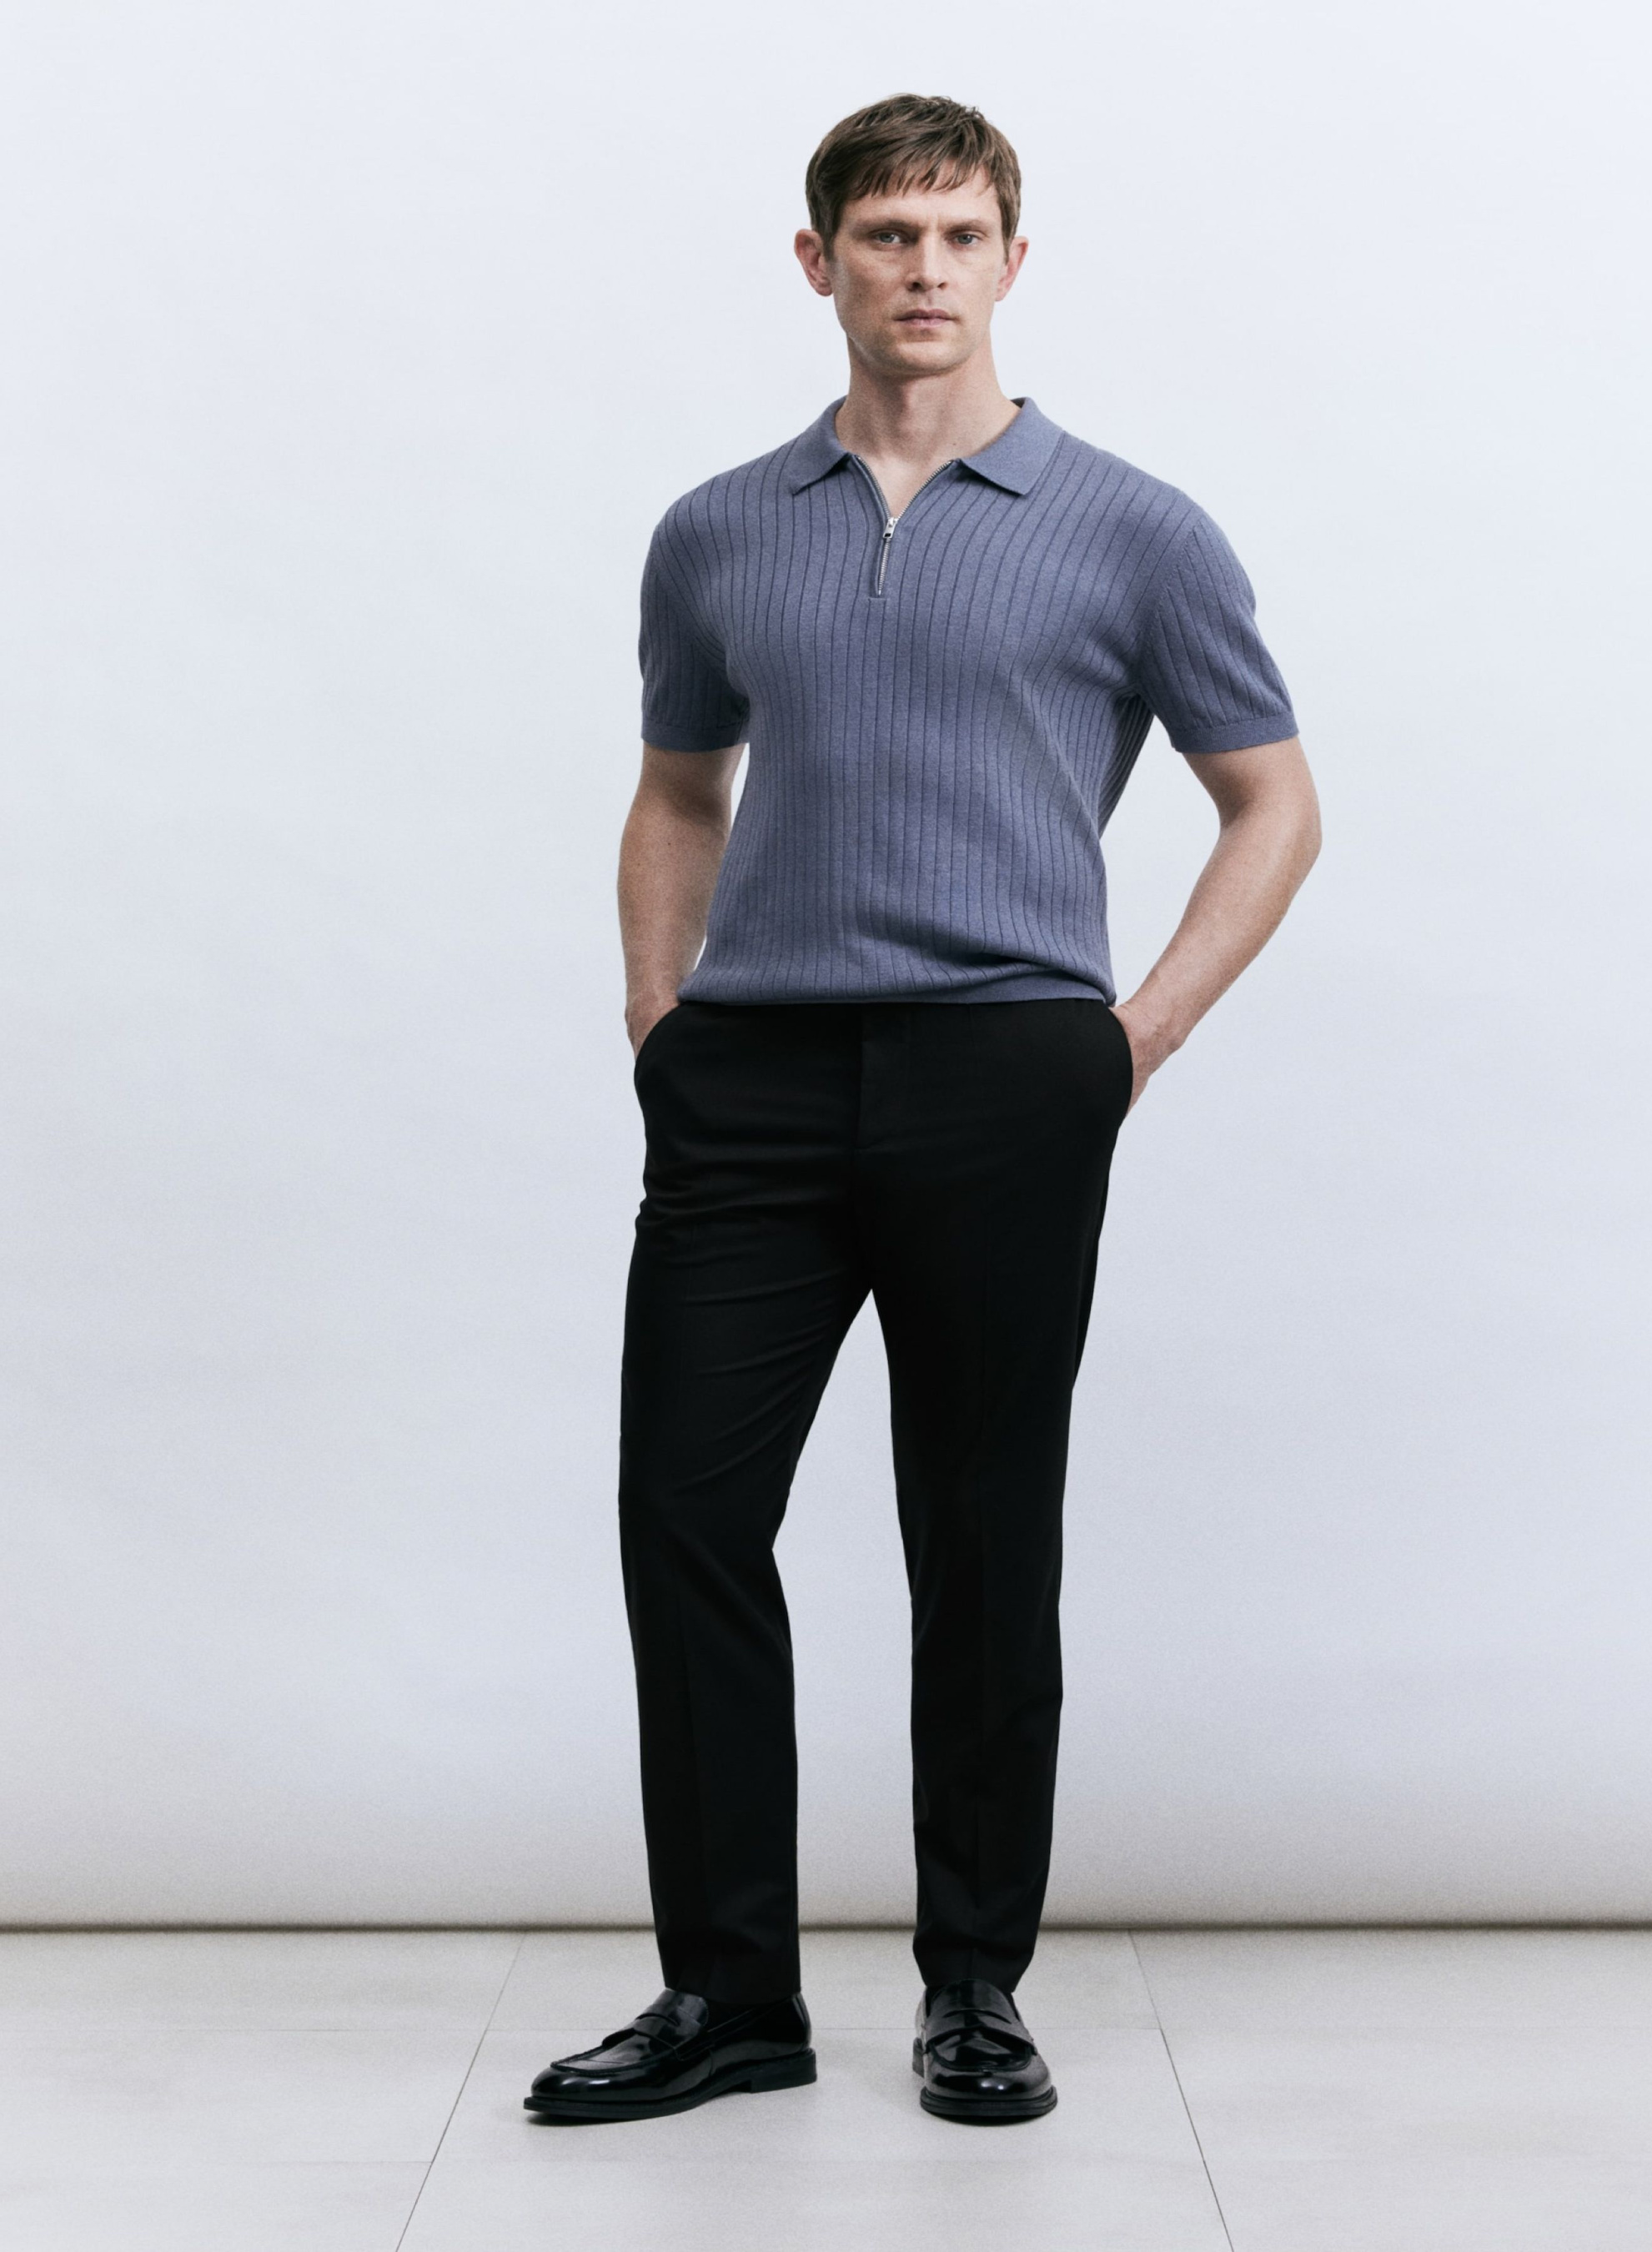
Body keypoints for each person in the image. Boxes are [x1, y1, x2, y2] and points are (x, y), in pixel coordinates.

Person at [526, 92, 1320, 2129]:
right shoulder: (720, 527)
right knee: (683, 1513)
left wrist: (1129, 1037)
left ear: (1012, 262)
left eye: (961, 235)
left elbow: (1270, 802)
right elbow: (677, 790)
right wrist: (657, 1011)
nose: (925, 270)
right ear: (820, 263)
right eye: (887, 235)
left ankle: (973, 1985)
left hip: (1004, 1075)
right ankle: (730, 1998)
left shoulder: (1132, 526)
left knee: (977, 1535)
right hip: (751, 1083)